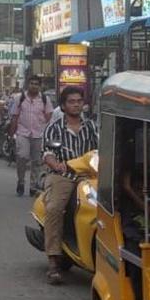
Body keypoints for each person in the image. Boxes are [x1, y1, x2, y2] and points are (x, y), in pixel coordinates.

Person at [41, 86, 98, 284]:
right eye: (71, 102)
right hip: (63, 175)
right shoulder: (54, 128)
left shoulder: (91, 126)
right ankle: (53, 262)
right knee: (55, 209)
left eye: (79, 101)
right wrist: (56, 165)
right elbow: (47, 154)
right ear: (63, 106)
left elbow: (100, 150)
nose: (76, 105)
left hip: (88, 174)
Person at [9, 76, 51, 196]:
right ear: (28, 84)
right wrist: (11, 133)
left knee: (37, 161)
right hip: (23, 133)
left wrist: (46, 130)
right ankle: (21, 181)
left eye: (36, 84)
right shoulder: (20, 98)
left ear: (40, 86)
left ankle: (33, 185)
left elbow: (49, 116)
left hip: (39, 134)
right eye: (32, 83)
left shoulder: (44, 99)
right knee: (22, 156)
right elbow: (15, 116)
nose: (34, 86)